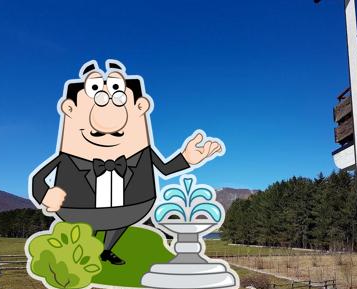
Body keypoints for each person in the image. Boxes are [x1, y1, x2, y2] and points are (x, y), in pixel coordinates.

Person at [29, 60, 223, 265]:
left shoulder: (143, 153)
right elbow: (38, 178)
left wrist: (186, 158)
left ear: (141, 107)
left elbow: (165, 169)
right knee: (87, 231)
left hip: (131, 206)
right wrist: (44, 194)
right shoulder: (67, 158)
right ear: (70, 109)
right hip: (80, 208)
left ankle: (106, 251)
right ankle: (85, 252)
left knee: (118, 222)